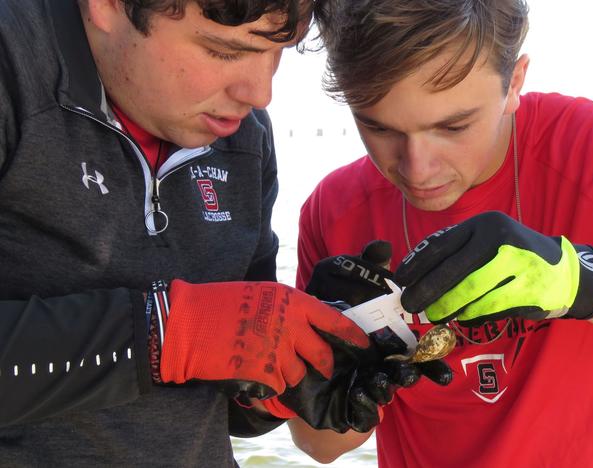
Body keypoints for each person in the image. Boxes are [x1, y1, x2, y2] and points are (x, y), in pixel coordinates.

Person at [0, 0, 435, 465]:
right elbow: (185, 340)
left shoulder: (244, 138)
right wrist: (167, 333)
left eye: (278, 51)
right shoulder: (15, 65)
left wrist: (293, 373)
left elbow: (226, 409)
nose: (260, 92)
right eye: (225, 52)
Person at [290, 0, 593, 466]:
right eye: (378, 127)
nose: (416, 167)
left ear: (515, 82)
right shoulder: (334, 211)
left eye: (453, 126)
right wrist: (335, 367)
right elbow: (318, 446)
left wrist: (579, 280)